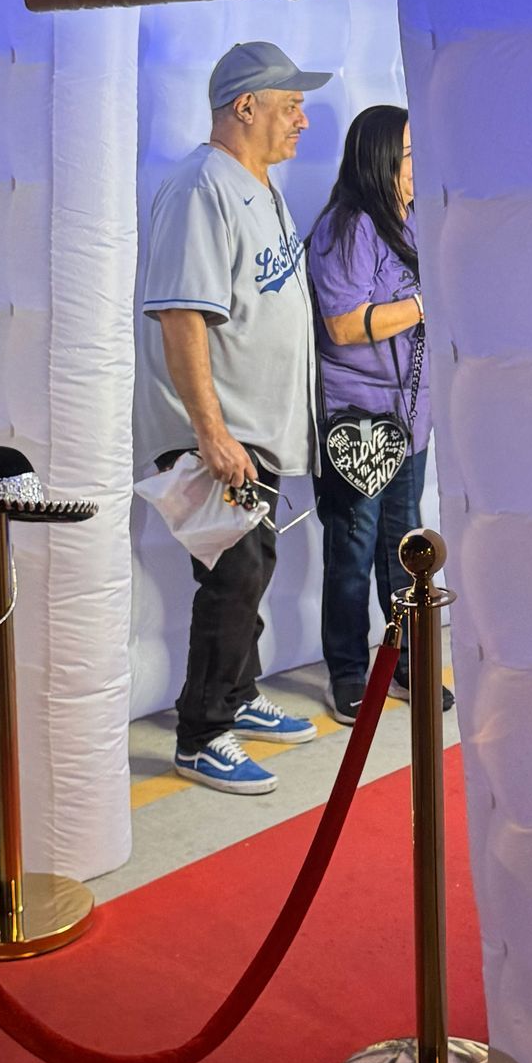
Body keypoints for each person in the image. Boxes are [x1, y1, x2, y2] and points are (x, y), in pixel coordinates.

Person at [139, 41, 329, 793]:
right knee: (234, 572)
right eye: (290, 106)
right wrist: (211, 432)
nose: (303, 121)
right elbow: (182, 315)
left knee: (251, 569)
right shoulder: (200, 186)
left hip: (257, 426)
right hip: (216, 429)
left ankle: (239, 694)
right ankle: (202, 732)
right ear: (245, 105)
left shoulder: (256, 184)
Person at [307, 105, 452, 724]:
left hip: (411, 419)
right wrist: (425, 303)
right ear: (382, 159)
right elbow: (342, 326)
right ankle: (346, 672)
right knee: (352, 545)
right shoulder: (347, 227)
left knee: (404, 546)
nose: (421, 166)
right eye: (412, 155)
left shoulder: (415, 220)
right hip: (358, 421)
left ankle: (403, 667)